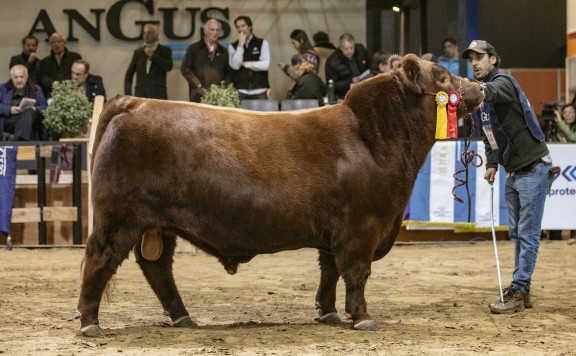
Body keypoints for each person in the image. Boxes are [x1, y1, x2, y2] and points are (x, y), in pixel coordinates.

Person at [462, 40, 554, 314]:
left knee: (526, 234)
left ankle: (518, 288)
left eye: (479, 58)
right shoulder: (485, 101)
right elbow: (489, 135)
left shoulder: (503, 83)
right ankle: (522, 289)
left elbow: (487, 91)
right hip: (515, 172)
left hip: (533, 168)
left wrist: (462, 88)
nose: (474, 63)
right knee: (518, 233)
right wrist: (491, 164)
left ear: (493, 59)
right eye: (471, 59)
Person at [181, 19, 231, 103]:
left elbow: (229, 72)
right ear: (205, 31)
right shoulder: (194, 49)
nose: (215, 32)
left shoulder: (223, 51)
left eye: (217, 30)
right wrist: (197, 84)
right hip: (198, 93)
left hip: (218, 95)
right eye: (212, 30)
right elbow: (185, 68)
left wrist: (224, 87)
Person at [124, 24, 173, 99]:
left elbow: (168, 66)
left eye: (149, 33)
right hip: (140, 96)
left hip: (158, 96)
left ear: (156, 35)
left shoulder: (165, 51)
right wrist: (128, 95)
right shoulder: (138, 52)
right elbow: (129, 75)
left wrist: (153, 56)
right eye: (144, 33)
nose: (145, 35)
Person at [0, 65, 48, 141]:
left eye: (22, 77)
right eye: (16, 77)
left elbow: (45, 106)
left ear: (26, 77)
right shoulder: (3, 89)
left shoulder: (36, 89)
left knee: (29, 112)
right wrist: (9, 109)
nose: (19, 80)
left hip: (31, 118)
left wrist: (35, 108)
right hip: (11, 119)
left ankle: (16, 140)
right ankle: (20, 140)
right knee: (29, 128)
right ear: (11, 77)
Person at [228, 16, 270, 101]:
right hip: (241, 91)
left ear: (250, 26)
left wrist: (245, 64)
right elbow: (235, 66)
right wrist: (240, 45)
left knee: (260, 114)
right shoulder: (232, 46)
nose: (240, 29)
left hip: (260, 90)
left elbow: (265, 65)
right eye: (238, 27)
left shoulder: (262, 43)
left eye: (243, 26)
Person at [325, 33, 371, 100]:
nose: (349, 51)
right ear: (340, 47)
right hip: (344, 95)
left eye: (351, 48)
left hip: (364, 90)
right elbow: (331, 85)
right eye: (346, 49)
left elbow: (371, 65)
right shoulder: (332, 61)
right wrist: (350, 81)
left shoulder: (361, 50)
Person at [39, 32, 82, 98]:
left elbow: (80, 74)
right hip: (52, 93)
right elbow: (43, 78)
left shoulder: (75, 57)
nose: (56, 44)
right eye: (53, 42)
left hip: (72, 92)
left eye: (59, 42)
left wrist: (64, 85)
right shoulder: (45, 61)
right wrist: (54, 84)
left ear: (64, 43)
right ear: (50, 45)